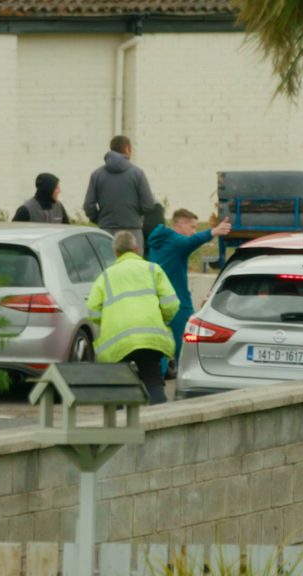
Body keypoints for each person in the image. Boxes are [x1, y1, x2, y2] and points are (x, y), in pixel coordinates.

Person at [87, 231, 179, 405]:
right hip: (150, 336)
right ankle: (159, 419)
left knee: (118, 388)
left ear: (115, 252)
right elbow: (172, 304)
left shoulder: (106, 276)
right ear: (136, 249)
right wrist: (162, 318)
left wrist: (108, 321)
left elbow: (92, 310)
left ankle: (120, 426)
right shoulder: (153, 270)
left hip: (117, 340)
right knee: (153, 381)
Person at [147, 209, 232, 377]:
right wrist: (213, 232)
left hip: (156, 302)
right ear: (181, 224)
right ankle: (190, 376)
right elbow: (191, 242)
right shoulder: (175, 243)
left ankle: (159, 376)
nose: (194, 231)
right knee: (188, 343)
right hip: (178, 303)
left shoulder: (159, 242)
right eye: (192, 227)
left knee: (160, 341)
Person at [83, 135, 156, 247]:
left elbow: (89, 206)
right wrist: (135, 215)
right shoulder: (137, 173)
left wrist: (101, 219)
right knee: (132, 263)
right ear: (127, 149)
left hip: (106, 232)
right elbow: (149, 204)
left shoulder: (97, 175)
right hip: (133, 232)